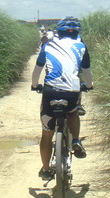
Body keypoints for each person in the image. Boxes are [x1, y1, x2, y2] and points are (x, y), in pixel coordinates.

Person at [31, 16, 93, 181]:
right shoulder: (81, 46)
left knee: (46, 134)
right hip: (71, 91)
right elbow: (87, 71)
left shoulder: (48, 46)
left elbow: (37, 70)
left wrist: (35, 85)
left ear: (59, 32)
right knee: (72, 112)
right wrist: (89, 84)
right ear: (77, 33)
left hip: (50, 91)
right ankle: (76, 140)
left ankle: (46, 169)